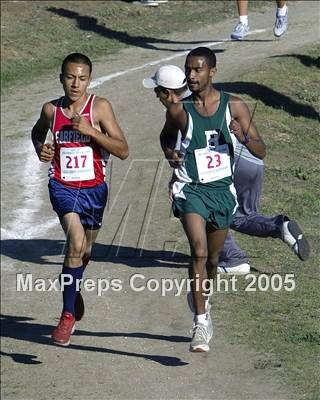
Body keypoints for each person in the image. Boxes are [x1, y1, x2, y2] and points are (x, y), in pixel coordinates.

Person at [143, 64, 310, 276]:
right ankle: (280, 227)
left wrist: (175, 178)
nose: (156, 96)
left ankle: (233, 259)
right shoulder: (208, 101)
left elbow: (190, 157)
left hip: (228, 165)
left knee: (200, 207)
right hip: (253, 163)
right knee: (241, 217)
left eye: (157, 91)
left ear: (167, 93)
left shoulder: (182, 111)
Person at [157, 47, 266, 352]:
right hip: (191, 189)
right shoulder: (179, 109)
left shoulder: (234, 105)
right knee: (199, 251)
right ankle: (200, 323)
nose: (191, 75)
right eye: (188, 69)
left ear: (212, 72)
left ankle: (204, 297)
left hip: (222, 191)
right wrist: (171, 155)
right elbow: (166, 137)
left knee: (214, 261)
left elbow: (261, 150)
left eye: (197, 70)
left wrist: (242, 136)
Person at [31, 53, 129, 346]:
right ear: (61, 78)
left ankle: (72, 289)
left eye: (82, 78)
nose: (75, 84)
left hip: (95, 190)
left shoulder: (99, 108)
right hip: (62, 186)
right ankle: (66, 316)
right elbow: (37, 133)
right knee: (75, 243)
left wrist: (90, 131)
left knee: (84, 251)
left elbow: (123, 150)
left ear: (89, 79)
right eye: (70, 77)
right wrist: (41, 148)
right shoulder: (51, 110)